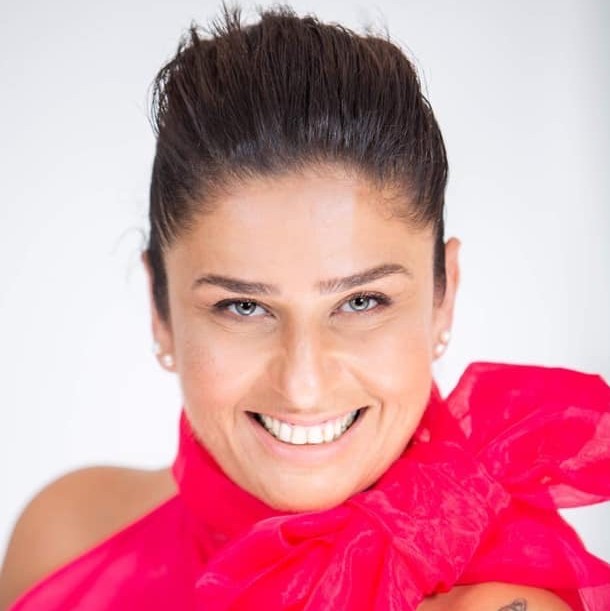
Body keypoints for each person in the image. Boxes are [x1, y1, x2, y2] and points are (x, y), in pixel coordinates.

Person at [0, 4, 608, 610]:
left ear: (442, 297)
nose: (303, 384)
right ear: (161, 313)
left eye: (361, 301)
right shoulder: (65, 537)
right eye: (243, 307)